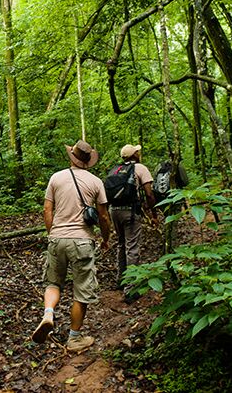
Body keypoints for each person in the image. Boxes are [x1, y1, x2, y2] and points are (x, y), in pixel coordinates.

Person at [31, 140, 111, 352]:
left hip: (57, 238)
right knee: (82, 290)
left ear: (72, 157)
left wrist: (53, 234)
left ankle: (48, 314)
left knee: (53, 282)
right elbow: (103, 215)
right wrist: (106, 238)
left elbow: (47, 210)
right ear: (88, 161)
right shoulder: (96, 182)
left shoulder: (56, 178)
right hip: (82, 241)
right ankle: (74, 338)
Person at [109, 144, 157, 302]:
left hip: (114, 211)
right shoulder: (140, 168)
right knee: (132, 247)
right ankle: (131, 289)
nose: (139, 153)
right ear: (134, 156)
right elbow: (149, 194)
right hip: (130, 212)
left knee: (121, 244)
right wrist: (154, 214)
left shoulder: (115, 170)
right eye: (137, 152)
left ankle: (120, 280)